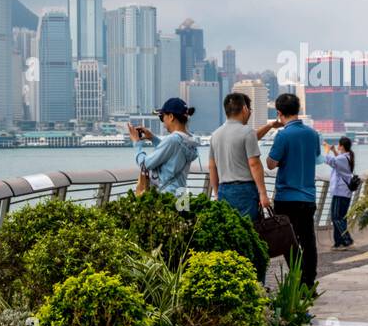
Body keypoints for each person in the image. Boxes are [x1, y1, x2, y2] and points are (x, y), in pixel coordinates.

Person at [264, 92, 322, 289]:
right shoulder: (313, 134)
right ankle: (308, 282)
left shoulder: (283, 135)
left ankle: (297, 281)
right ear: (298, 110)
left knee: (289, 242)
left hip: (287, 197)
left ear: (279, 113)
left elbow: (271, 164)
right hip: (308, 196)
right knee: (308, 240)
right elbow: (315, 157)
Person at [207, 91, 272, 221]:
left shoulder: (215, 135)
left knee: (230, 231)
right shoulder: (247, 132)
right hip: (245, 191)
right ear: (244, 109)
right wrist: (263, 194)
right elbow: (254, 164)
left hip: (223, 190)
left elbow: (211, 166)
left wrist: (216, 193)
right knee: (249, 230)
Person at [130, 97, 200, 196]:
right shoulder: (189, 140)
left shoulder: (173, 140)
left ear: (171, 116)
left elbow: (145, 165)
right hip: (181, 196)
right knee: (182, 212)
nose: (163, 122)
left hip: (167, 197)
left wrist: (137, 143)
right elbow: (173, 153)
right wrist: (153, 139)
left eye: (162, 117)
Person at [323, 136, 356, 249]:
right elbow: (338, 162)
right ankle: (338, 242)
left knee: (336, 217)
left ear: (341, 146)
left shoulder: (343, 158)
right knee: (341, 217)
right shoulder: (347, 157)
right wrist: (334, 151)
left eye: (338, 144)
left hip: (340, 192)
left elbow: (329, 161)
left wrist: (326, 150)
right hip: (344, 192)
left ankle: (347, 240)